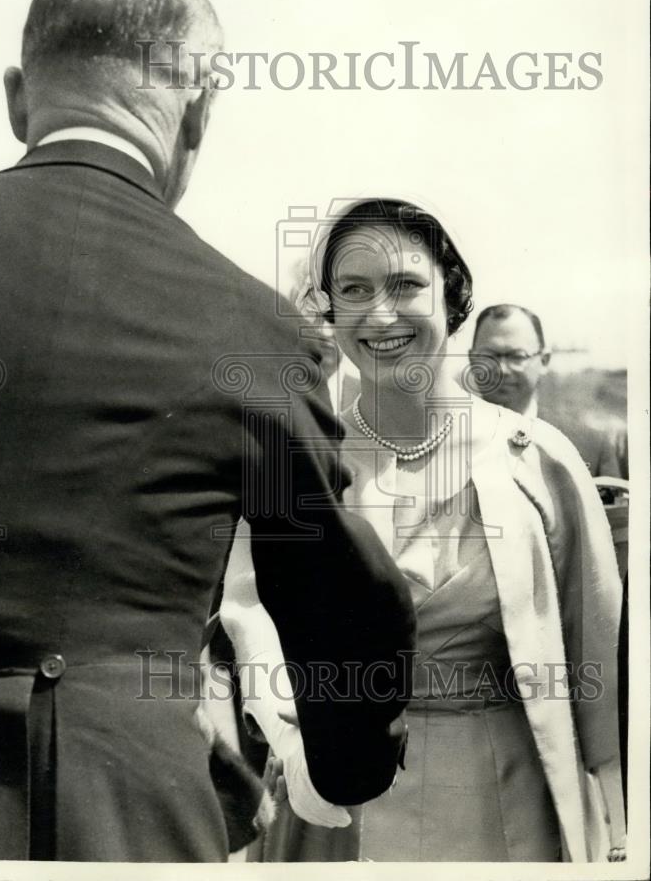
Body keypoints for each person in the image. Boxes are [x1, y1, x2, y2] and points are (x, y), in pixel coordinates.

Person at [0, 0, 415, 862]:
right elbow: (333, 593)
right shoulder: (251, 323)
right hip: (121, 809)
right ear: (200, 105)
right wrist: (346, 765)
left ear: (18, 95)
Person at [222, 198, 625, 862]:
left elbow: (601, 662)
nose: (381, 315)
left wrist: (623, 820)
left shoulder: (538, 456)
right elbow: (251, 614)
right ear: (329, 309)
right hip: (335, 793)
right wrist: (295, 746)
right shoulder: (294, 459)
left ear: (455, 295)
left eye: (406, 285)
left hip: (503, 802)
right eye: (353, 290)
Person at [468, 304, 626, 478]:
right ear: (471, 359)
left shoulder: (591, 446)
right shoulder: (445, 440)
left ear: (544, 360)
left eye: (517, 356)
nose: (502, 369)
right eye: (489, 356)